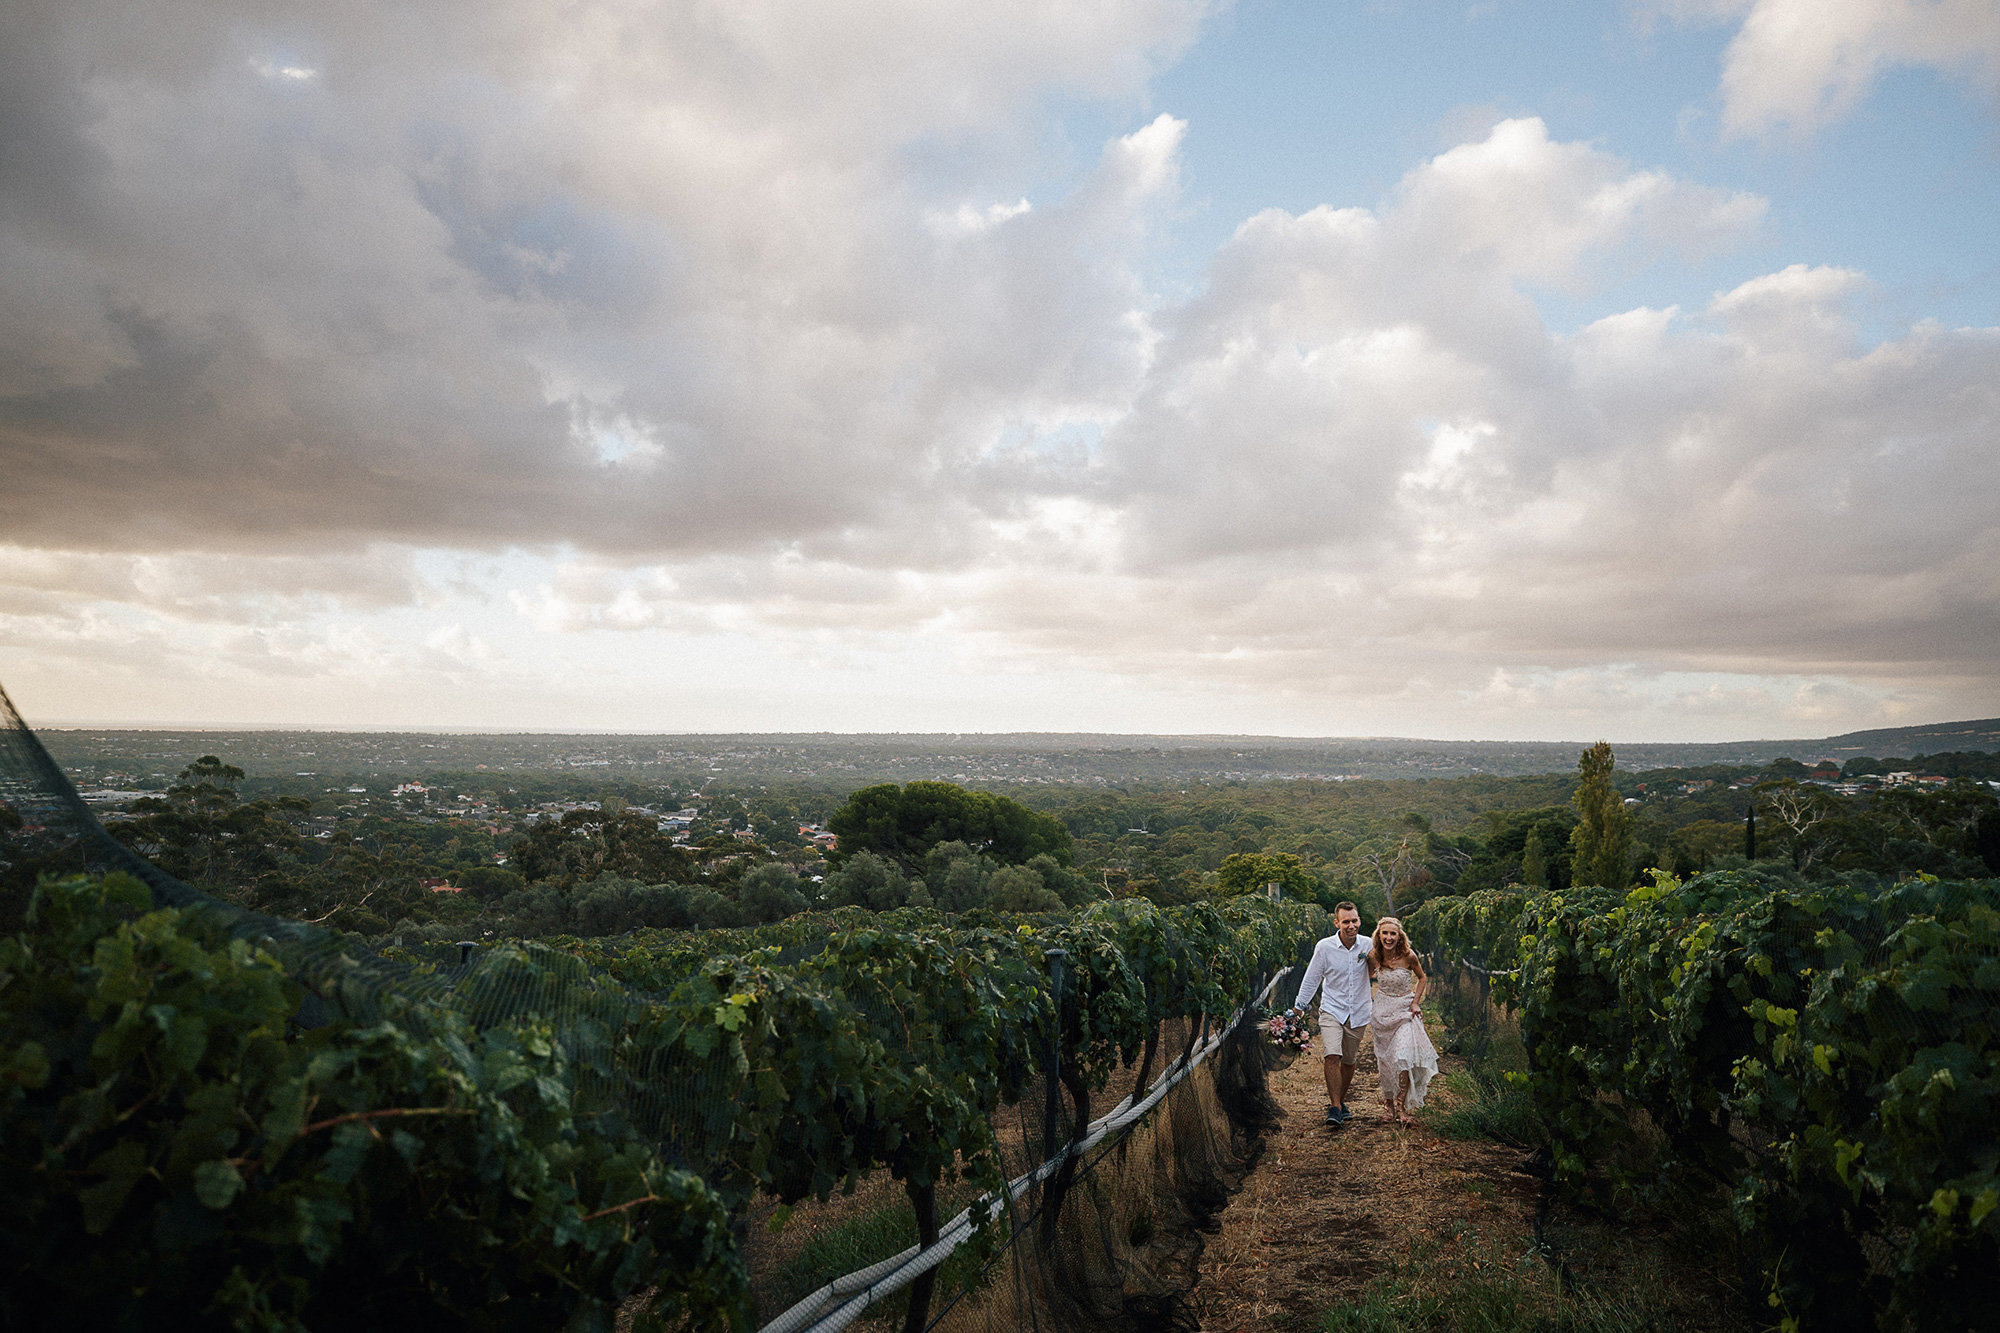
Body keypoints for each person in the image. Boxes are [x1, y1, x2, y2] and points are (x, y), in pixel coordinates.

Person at [1288, 901, 1371, 1125]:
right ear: (1337, 923)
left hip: (1359, 1012)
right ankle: (1335, 1107)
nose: (1351, 925)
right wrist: (1299, 1008)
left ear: (1359, 920)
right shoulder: (1324, 947)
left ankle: (1340, 1102)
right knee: (1332, 1055)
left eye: (1354, 921)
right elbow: (1312, 978)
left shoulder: (1368, 945)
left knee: (1350, 1060)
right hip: (1332, 1009)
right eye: (1346, 922)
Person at [1368, 916, 1438, 1126]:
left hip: (1405, 1010)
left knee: (1403, 1055)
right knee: (1386, 1059)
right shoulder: (1373, 956)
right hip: (1383, 1012)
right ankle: (1388, 1104)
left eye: (1393, 934)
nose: (1389, 937)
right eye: (1385, 933)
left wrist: (1415, 1003)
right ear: (1379, 936)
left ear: (1399, 937)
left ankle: (1401, 1106)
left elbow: (1422, 978)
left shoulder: (1409, 956)